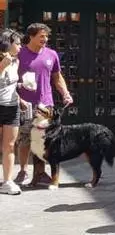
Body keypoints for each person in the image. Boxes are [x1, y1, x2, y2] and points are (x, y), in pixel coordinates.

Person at [15, 23, 72, 187]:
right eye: (41, 36)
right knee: (25, 139)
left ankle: (40, 172)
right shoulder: (19, 53)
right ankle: (23, 170)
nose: (45, 39)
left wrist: (65, 93)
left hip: (46, 105)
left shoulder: (51, 54)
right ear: (31, 36)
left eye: (46, 36)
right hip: (25, 103)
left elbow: (57, 77)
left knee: (43, 140)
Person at [0, 29, 22, 195]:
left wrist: (21, 96)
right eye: (18, 43)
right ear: (8, 44)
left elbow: (10, 84)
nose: (20, 47)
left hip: (12, 106)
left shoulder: (16, 61)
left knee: (9, 145)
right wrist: (2, 65)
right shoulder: (5, 61)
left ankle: (7, 181)